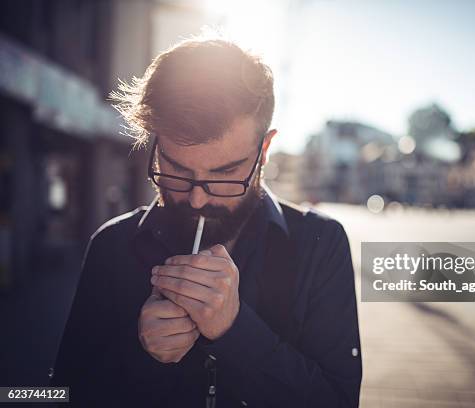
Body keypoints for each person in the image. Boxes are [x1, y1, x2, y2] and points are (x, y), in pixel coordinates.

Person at [50, 37, 362, 407]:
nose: (197, 198)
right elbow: (61, 394)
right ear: (155, 144)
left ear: (263, 150)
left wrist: (235, 330)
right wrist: (138, 353)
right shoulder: (112, 246)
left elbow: (338, 401)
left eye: (225, 174)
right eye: (177, 170)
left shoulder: (320, 244)